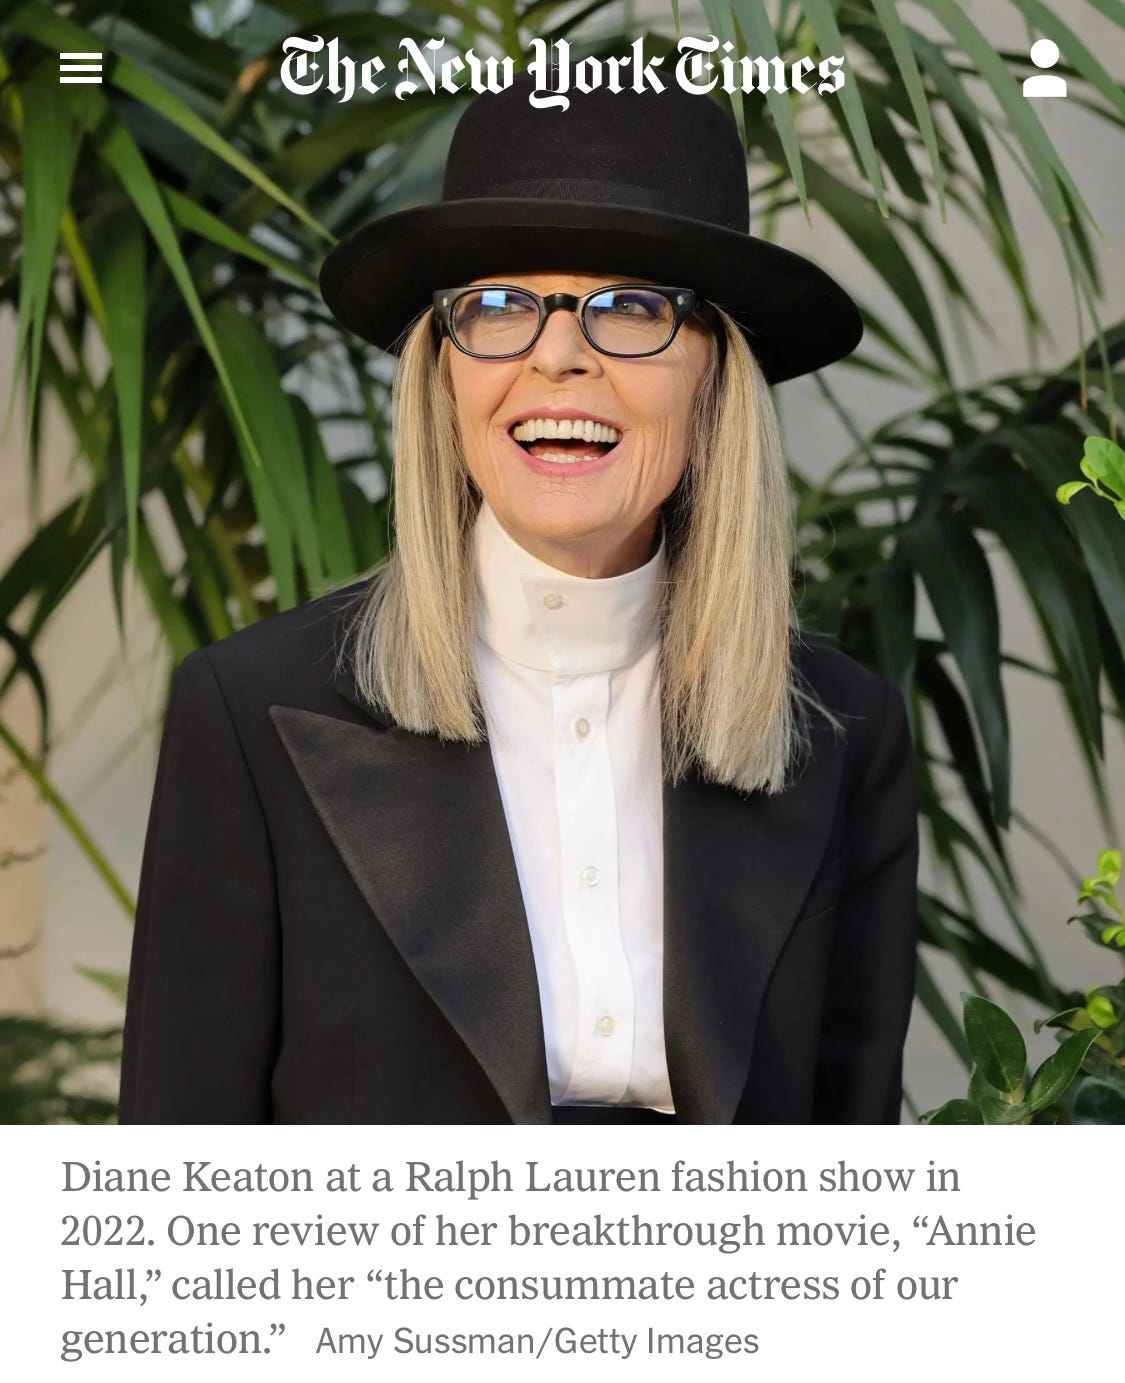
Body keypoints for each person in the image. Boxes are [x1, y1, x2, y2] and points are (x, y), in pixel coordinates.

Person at [117, 70, 919, 1126]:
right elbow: (182, 1167)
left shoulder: (843, 731)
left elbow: (850, 1175)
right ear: (442, 371)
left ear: (715, 376)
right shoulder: (250, 711)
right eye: (498, 306)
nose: (557, 356)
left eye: (630, 307)